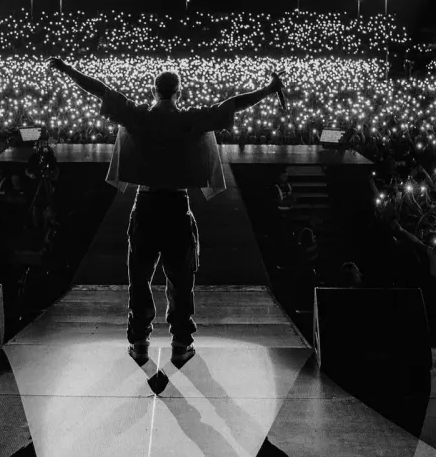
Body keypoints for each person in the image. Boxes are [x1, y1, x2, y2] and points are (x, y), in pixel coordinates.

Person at [48, 58, 284, 366]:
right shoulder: (191, 120)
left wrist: (67, 69)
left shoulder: (138, 116)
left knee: (139, 277)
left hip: (146, 205)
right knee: (181, 279)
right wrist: (269, 88)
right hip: (176, 206)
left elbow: (100, 90)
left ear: (154, 91)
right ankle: (181, 343)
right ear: (179, 92)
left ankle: (139, 342)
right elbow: (234, 104)